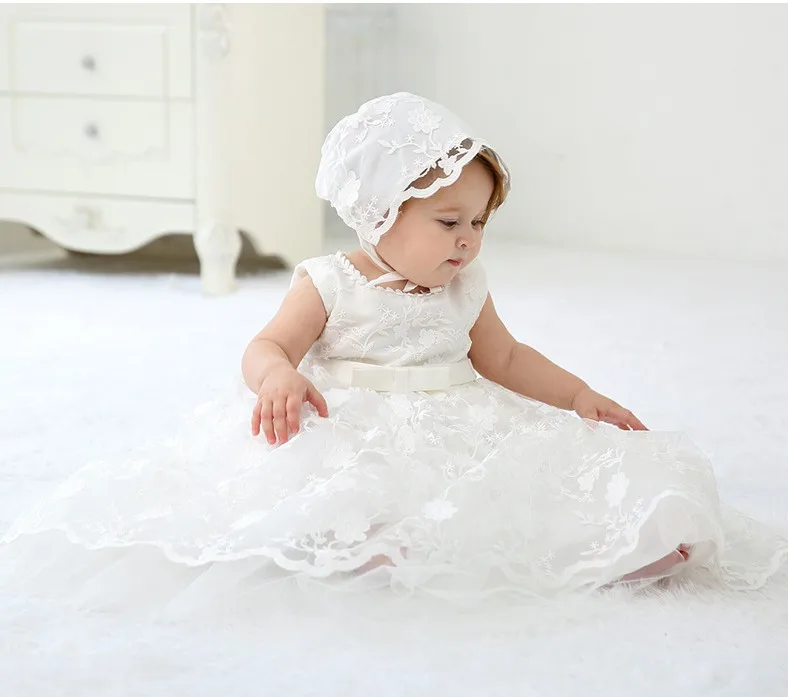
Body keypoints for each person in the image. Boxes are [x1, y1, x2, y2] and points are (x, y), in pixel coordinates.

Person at [2, 92, 785, 611]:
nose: (468, 239)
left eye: (479, 222)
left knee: (531, 487)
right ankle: (366, 548)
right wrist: (277, 376)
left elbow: (507, 359)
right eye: (449, 222)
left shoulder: (465, 285)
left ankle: (613, 544)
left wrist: (580, 396)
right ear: (378, 212)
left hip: (456, 421)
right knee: (359, 496)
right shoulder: (329, 282)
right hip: (356, 422)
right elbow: (268, 343)